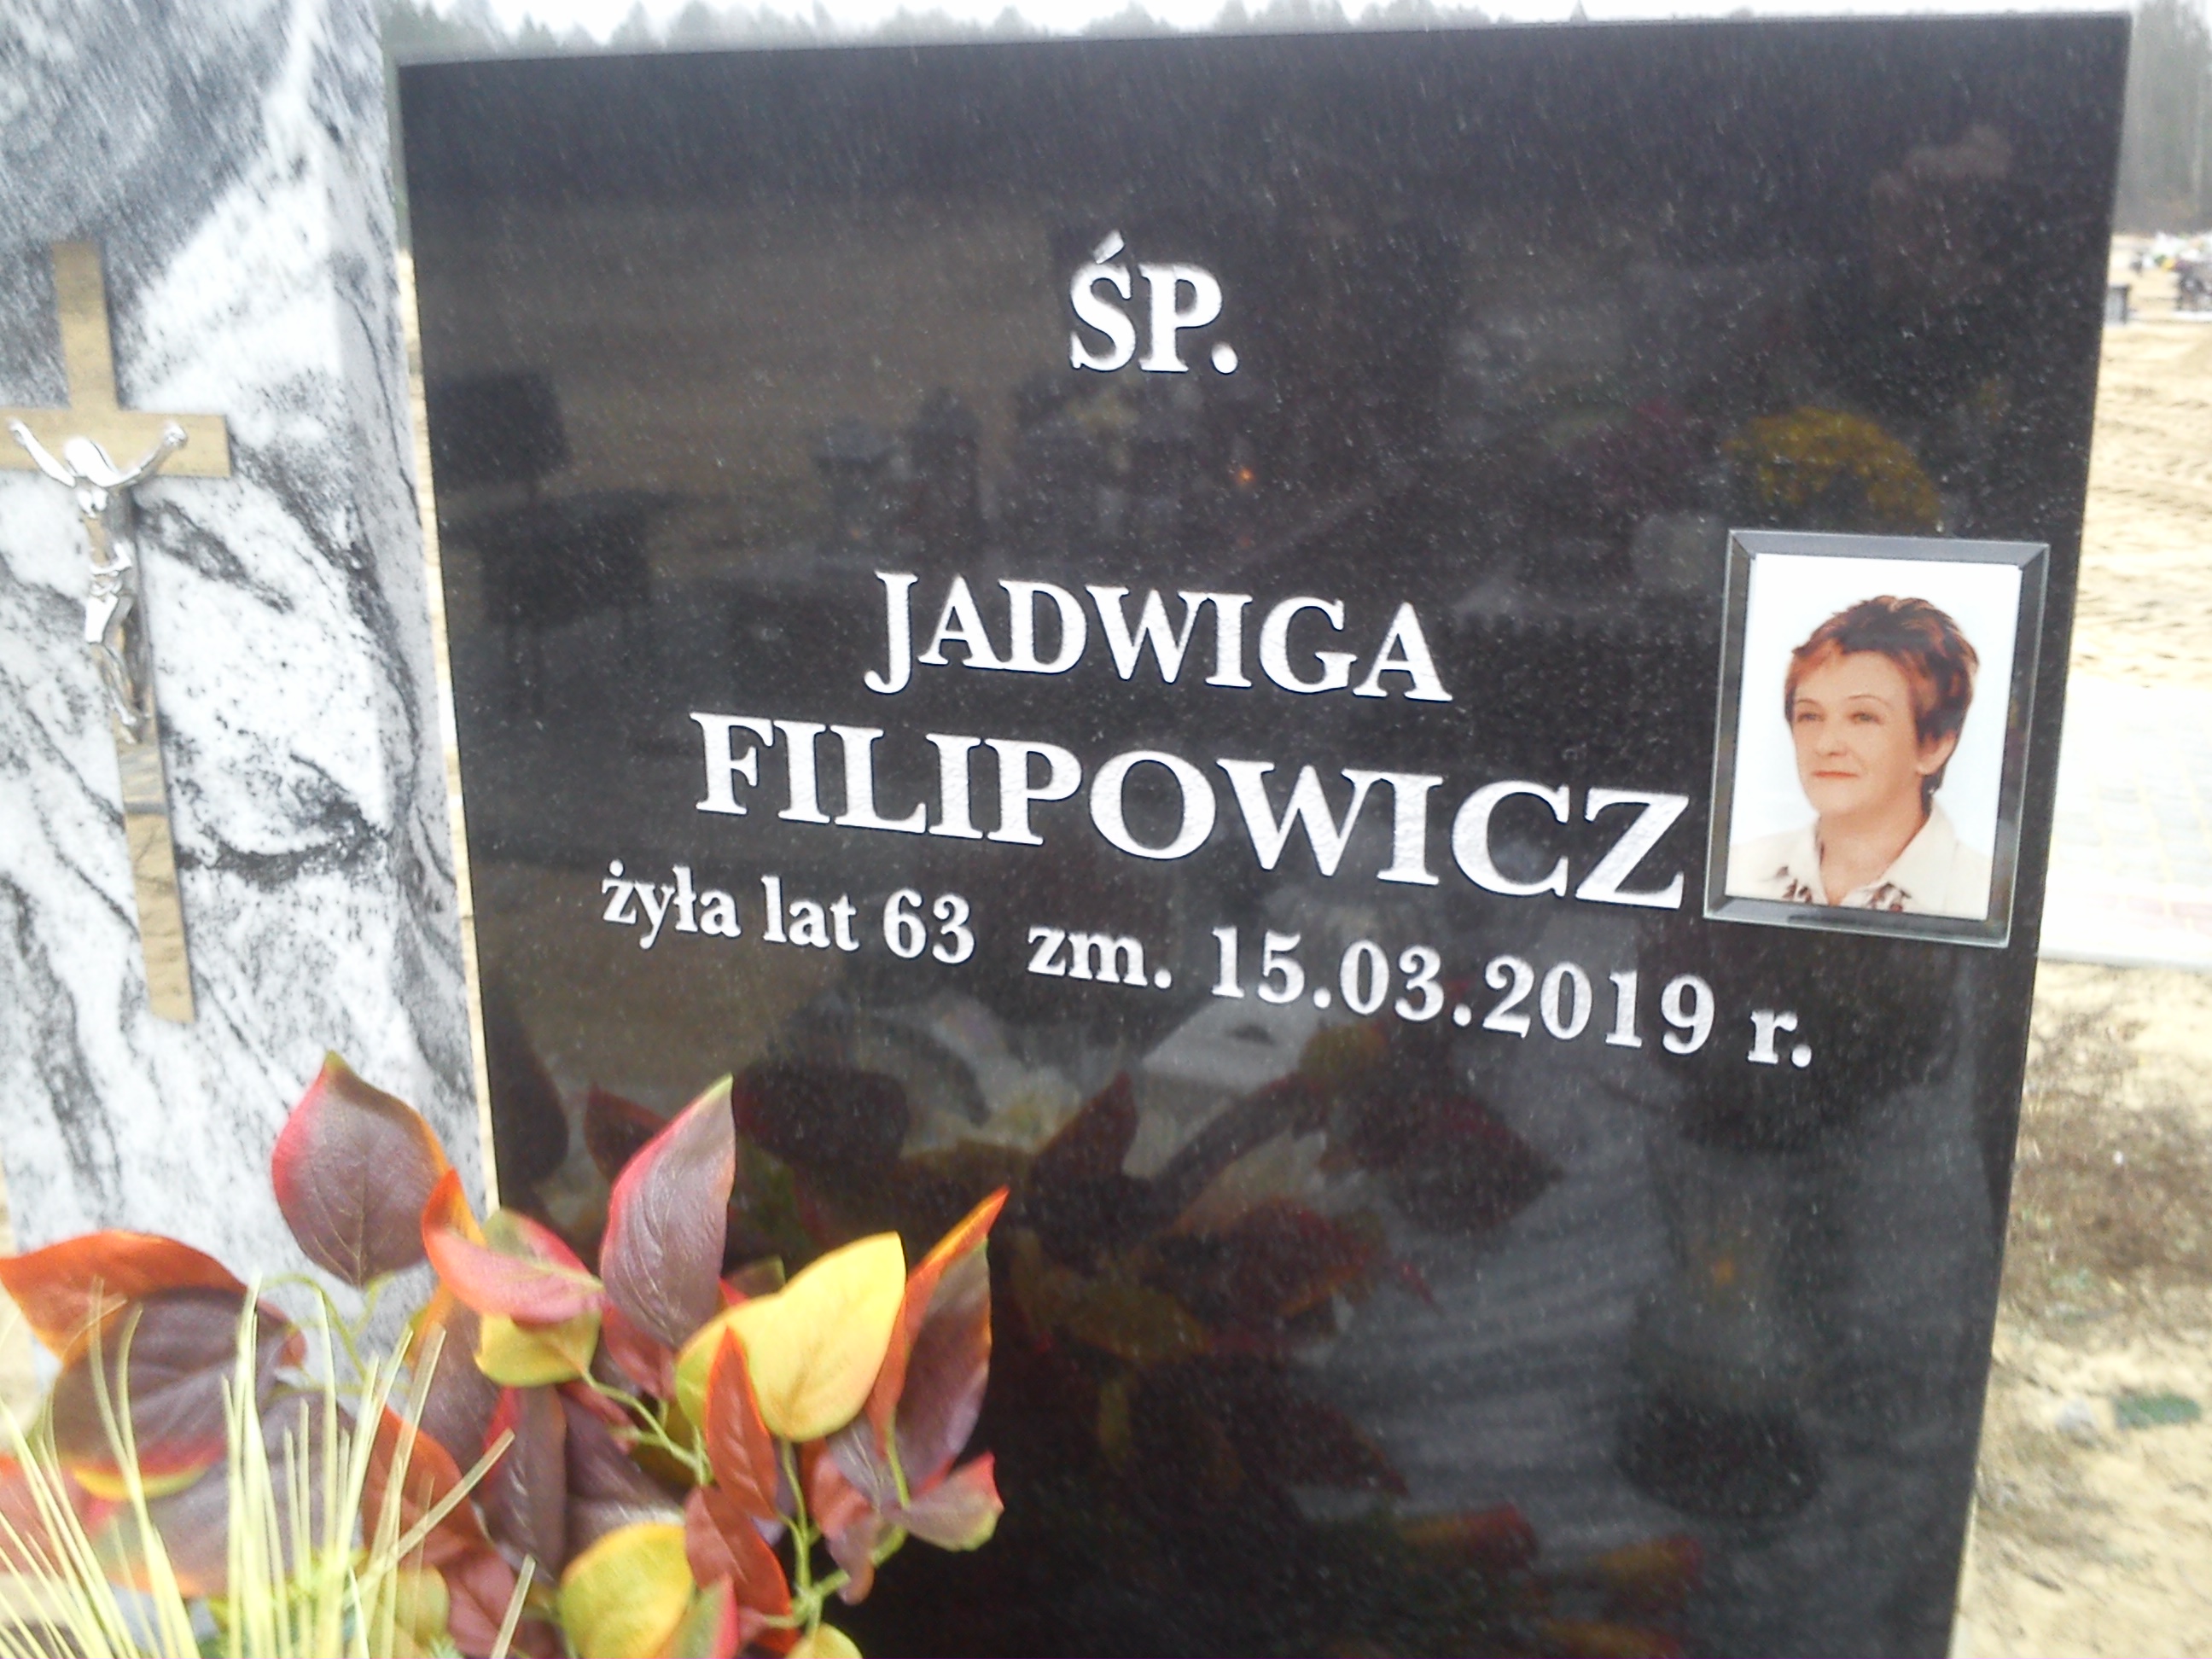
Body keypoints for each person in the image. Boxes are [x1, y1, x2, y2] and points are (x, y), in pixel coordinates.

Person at [1726, 595, 1993, 918]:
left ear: (1933, 746)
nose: (1825, 744)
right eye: (1810, 716)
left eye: (1863, 717)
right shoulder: (1737, 873)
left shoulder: (1983, 898)